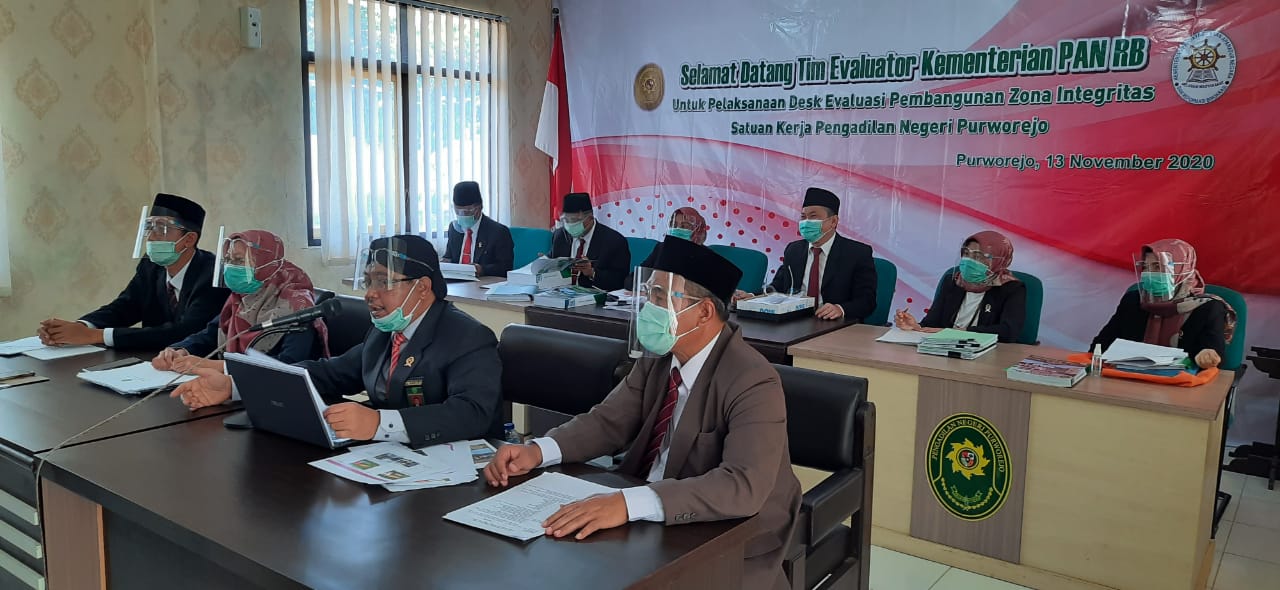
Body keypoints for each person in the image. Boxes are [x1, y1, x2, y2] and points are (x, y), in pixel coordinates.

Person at [484, 236, 801, 590]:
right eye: (649, 294)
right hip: (647, 515)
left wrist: (629, 503)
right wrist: (538, 451)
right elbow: (609, 420)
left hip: (727, 536)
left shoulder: (752, 379)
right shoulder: (659, 357)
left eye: (660, 297)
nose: (649, 307)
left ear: (704, 312)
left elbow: (742, 485)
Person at [171, 235, 504, 447]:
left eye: (384, 282)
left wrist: (379, 423)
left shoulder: (467, 337)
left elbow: (471, 413)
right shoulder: (385, 332)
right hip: (396, 467)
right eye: (368, 281)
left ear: (422, 287)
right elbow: (327, 373)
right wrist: (237, 385)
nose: (370, 294)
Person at [38, 193, 230, 350]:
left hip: (195, 367)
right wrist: (79, 328)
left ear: (189, 239)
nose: (151, 237)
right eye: (149, 228)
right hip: (151, 363)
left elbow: (185, 332)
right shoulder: (151, 265)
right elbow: (125, 306)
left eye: (161, 228)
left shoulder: (213, 274)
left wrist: (95, 336)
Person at [152, 230, 329, 374]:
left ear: (266, 265)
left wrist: (218, 366)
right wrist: (180, 350)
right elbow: (210, 335)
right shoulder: (240, 299)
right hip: (236, 390)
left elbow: (289, 365)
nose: (230, 267)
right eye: (228, 260)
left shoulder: (297, 306)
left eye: (238, 260)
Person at [1092, 239, 1236, 369]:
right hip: (1127, 379)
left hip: (1180, 384)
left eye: (1157, 267)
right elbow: (1099, 346)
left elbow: (1214, 357)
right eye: (1146, 267)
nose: (1149, 273)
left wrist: (1206, 356)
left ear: (1182, 269)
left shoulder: (1207, 308)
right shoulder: (1133, 301)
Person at [737, 187, 877, 322]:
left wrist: (840, 309)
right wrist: (752, 296)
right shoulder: (794, 250)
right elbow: (778, 286)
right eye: (803, 217)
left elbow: (867, 301)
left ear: (833, 221)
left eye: (813, 217)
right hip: (795, 321)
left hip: (834, 324)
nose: (806, 222)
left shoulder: (857, 253)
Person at [895, 231, 1027, 343]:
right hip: (942, 349)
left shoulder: (1011, 288)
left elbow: (1008, 332)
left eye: (978, 256)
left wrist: (958, 333)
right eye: (966, 254)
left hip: (985, 353)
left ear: (999, 260)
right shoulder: (953, 281)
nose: (969, 261)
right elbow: (932, 323)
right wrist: (915, 326)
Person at [549, 192, 631, 291]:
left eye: (574, 220)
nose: (570, 225)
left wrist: (592, 272)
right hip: (561, 293)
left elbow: (620, 281)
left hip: (595, 295)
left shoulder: (614, 241)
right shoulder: (560, 236)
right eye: (566, 220)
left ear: (590, 218)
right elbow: (553, 262)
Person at [441, 181, 514, 278]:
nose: (461, 215)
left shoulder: (498, 232)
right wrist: (443, 263)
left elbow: (505, 267)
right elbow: (449, 257)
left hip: (483, 283)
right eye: (457, 211)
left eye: (466, 211)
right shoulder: (454, 228)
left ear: (478, 208)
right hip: (456, 282)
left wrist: (482, 269)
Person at [626, 206, 708, 287]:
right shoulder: (661, 248)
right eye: (674, 225)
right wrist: (646, 287)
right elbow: (632, 279)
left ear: (698, 229)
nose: (677, 229)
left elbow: (703, 291)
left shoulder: (705, 256)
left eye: (684, 226)